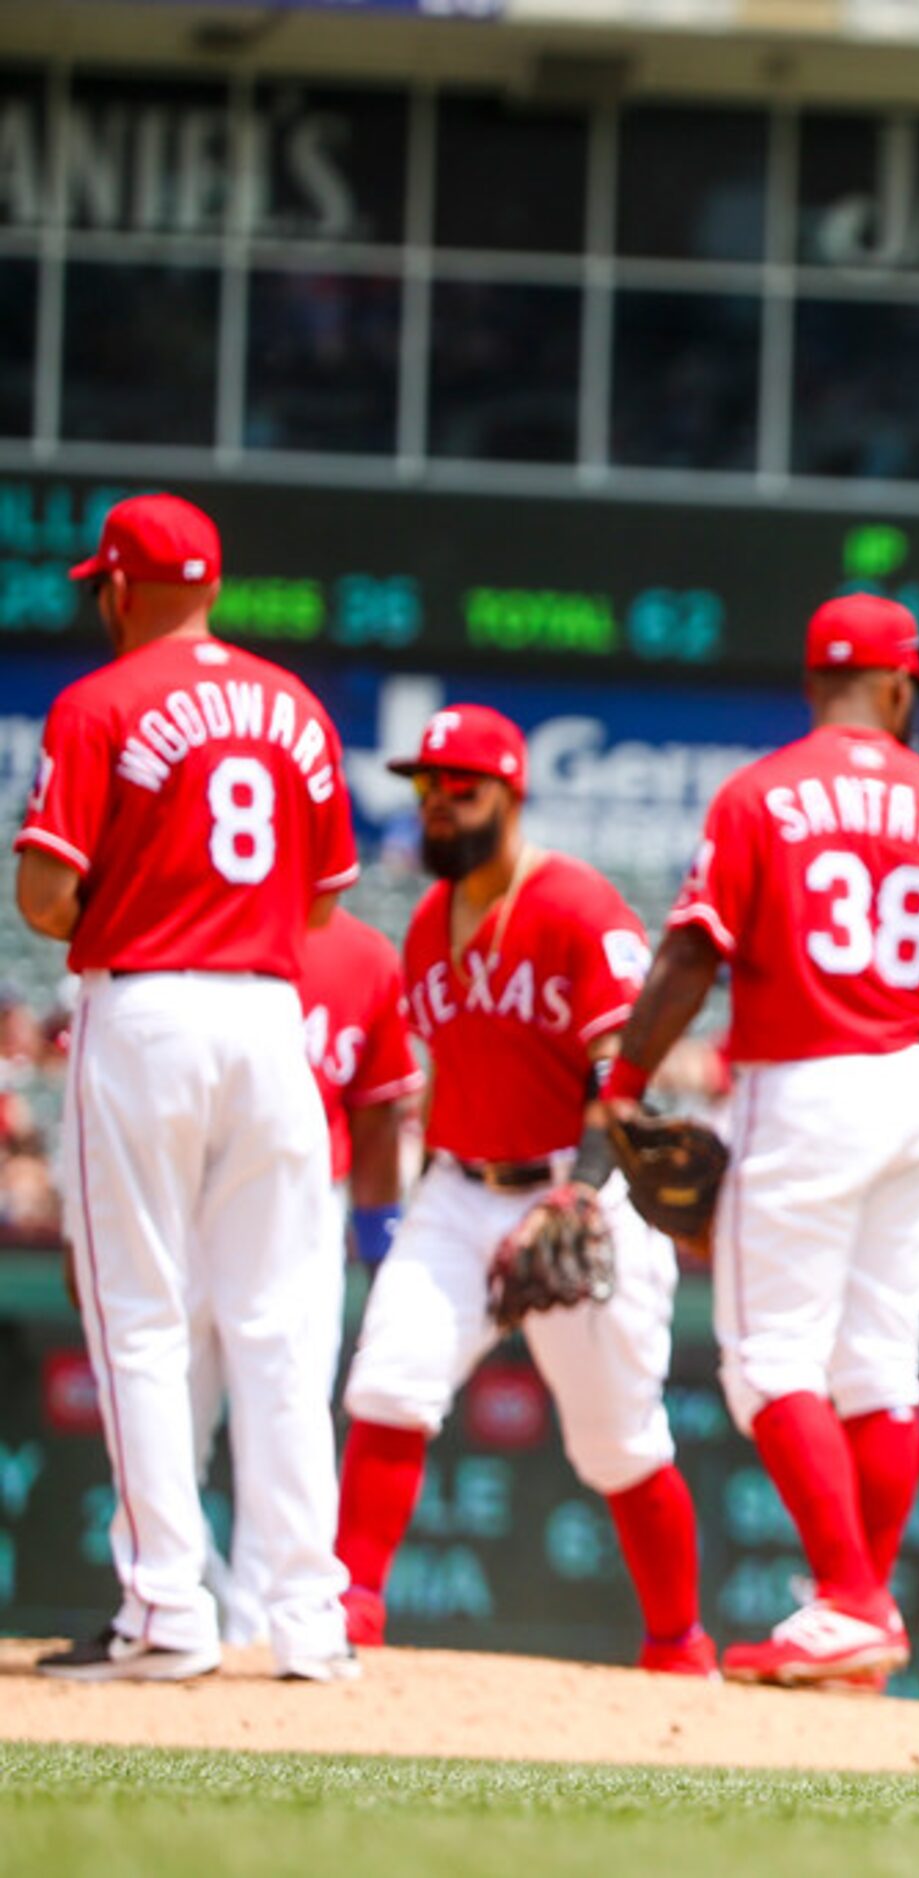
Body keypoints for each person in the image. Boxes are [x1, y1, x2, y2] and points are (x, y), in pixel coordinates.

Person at [606, 594, 919, 1688]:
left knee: (771, 1360)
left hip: (805, 1081)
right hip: (918, 1089)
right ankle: (857, 1624)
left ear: (812, 682)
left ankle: (851, 1600)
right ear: (896, 686)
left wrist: (627, 1082)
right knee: (877, 1364)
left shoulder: (761, 795)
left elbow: (691, 954)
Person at [13, 493, 362, 1682]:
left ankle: (167, 1612)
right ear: (211, 586)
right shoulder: (297, 707)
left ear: (117, 587)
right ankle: (310, 1622)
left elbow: (43, 901)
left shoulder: (97, 702)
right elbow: (321, 901)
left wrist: (140, 894)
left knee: (144, 1325)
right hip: (274, 1018)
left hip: (150, 1010)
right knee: (276, 1328)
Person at [332, 705, 710, 1674]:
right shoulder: (424, 925)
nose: (441, 807)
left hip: (576, 1187)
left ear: (511, 794)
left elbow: (622, 1080)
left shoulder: (580, 907)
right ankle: (347, 1619)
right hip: (458, 1188)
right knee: (387, 1384)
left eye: (464, 790)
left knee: (619, 1445)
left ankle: (678, 1647)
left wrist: (580, 1193)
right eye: (426, 790)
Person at [193, 906, 420, 1645]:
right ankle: (178, 1608)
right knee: (168, 1415)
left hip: (308, 1204)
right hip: (185, 1195)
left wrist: (380, 1245)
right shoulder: (192, 929)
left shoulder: (364, 954)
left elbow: (381, 1109)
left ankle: (264, 1628)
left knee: (286, 1415)